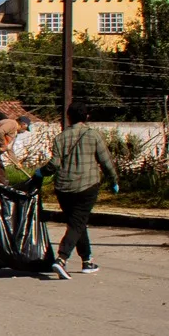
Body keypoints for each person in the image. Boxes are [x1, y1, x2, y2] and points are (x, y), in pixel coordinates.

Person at [41, 103, 119, 276]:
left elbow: (54, 164)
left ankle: (87, 261)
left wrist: (41, 172)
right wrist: (113, 180)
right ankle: (61, 258)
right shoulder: (94, 136)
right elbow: (106, 162)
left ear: (68, 117)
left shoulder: (60, 138)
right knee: (78, 223)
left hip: (63, 188)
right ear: (87, 117)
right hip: (87, 186)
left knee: (77, 223)